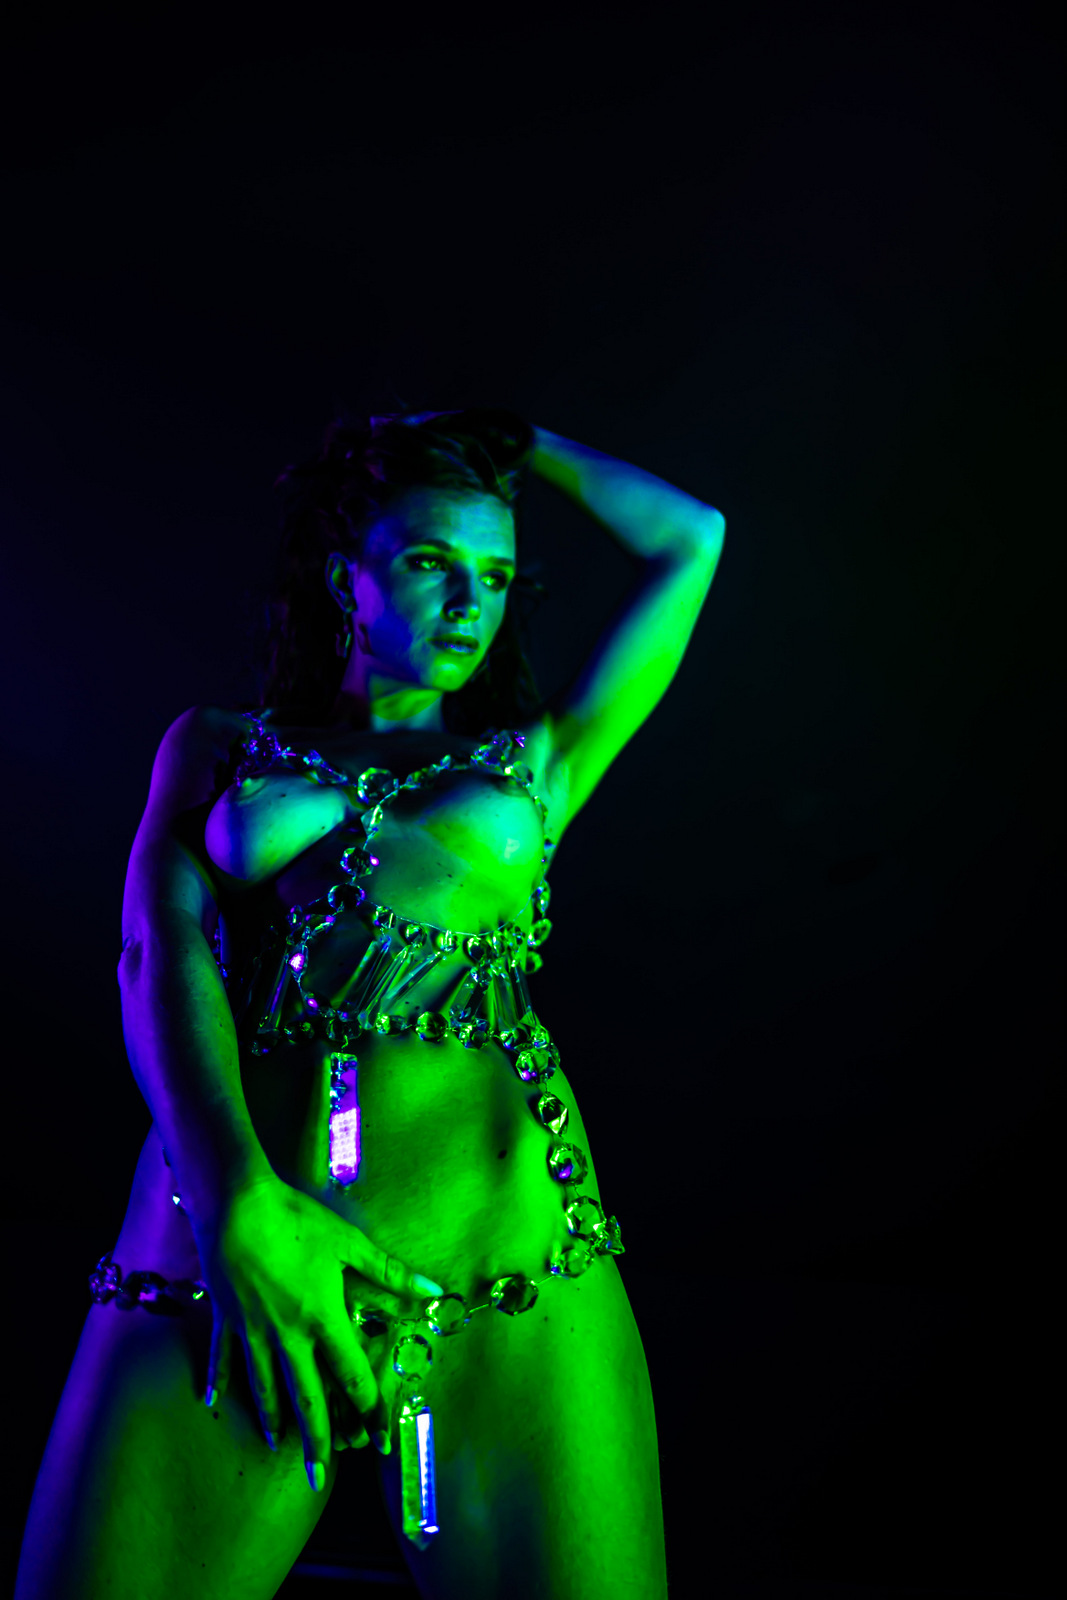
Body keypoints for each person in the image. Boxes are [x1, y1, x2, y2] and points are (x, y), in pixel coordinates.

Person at [15, 407, 726, 1600]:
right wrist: (238, 1207)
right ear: (345, 578)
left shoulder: (536, 760)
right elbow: (155, 956)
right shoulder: (217, 746)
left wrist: (517, 442)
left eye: (494, 575)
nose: (468, 600)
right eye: (430, 561)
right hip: (230, 1260)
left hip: (503, 1272)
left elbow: (689, 538)